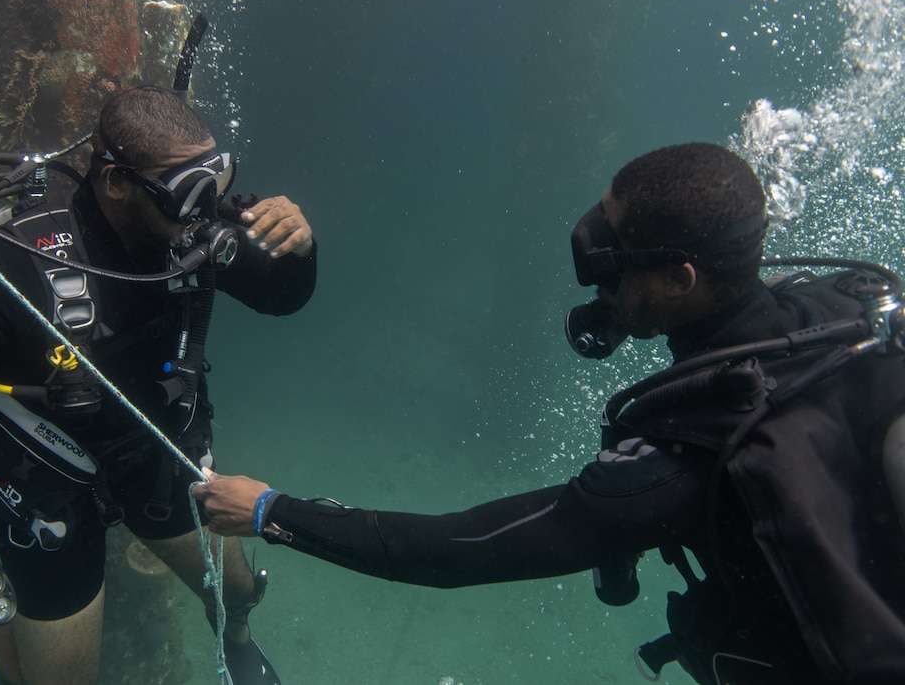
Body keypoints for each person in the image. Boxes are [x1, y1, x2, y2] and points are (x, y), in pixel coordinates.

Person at [192, 143, 905, 685]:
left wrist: (272, 511)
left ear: (680, 278)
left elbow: (455, 551)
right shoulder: (840, 312)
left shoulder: (691, 457)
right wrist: (632, 308)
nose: (595, 262)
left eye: (614, 256)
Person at [0, 85, 316, 685]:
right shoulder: (15, 255)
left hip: (148, 437)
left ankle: (236, 637)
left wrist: (300, 249)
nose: (208, 210)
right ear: (116, 182)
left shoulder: (188, 231)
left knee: (236, 588)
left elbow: (281, 297)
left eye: (217, 178)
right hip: (38, 468)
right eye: (187, 191)